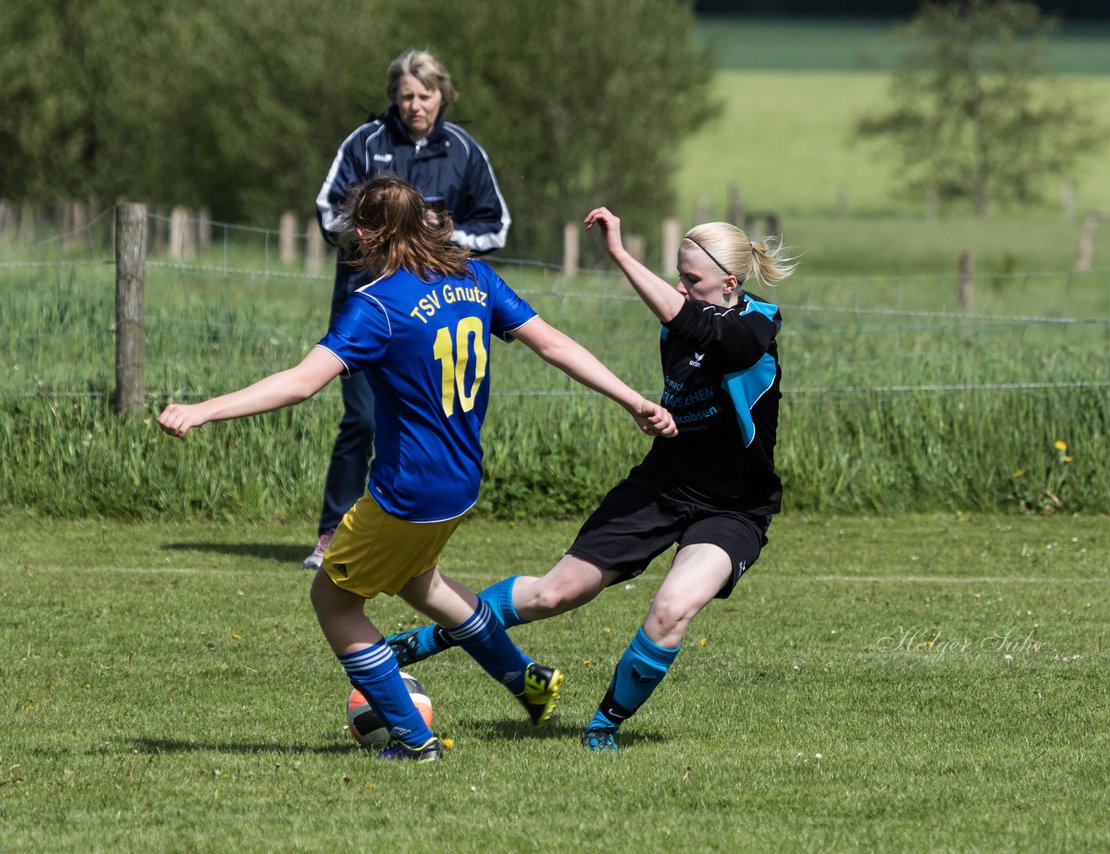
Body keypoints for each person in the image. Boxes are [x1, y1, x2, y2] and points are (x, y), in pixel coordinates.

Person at [158, 179, 676, 761]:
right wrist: (633, 398)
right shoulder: (472, 278)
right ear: (426, 223)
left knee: (333, 603)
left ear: (362, 233)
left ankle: (414, 738)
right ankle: (525, 681)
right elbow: (553, 344)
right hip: (460, 481)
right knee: (420, 583)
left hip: (406, 491)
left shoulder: (375, 305)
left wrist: (203, 409)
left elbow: (301, 383)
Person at [386, 205, 797, 751]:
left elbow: (701, 329)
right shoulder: (686, 316)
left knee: (673, 607)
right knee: (554, 594)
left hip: (734, 507)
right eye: (677, 273)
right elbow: (690, 343)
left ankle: (603, 726)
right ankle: (425, 640)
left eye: (690, 279)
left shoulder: (757, 328)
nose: (678, 286)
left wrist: (620, 255)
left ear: (731, 282)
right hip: (663, 486)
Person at [306, 47, 512, 571]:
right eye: (406, 96)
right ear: (393, 98)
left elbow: (497, 225)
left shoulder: (464, 150)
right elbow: (328, 209)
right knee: (361, 417)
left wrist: (443, 237)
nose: (415, 105)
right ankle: (333, 531)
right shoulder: (365, 143)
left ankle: (408, 526)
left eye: (425, 95)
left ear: (443, 96)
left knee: (422, 417)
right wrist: (373, 233)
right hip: (371, 304)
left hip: (434, 311)